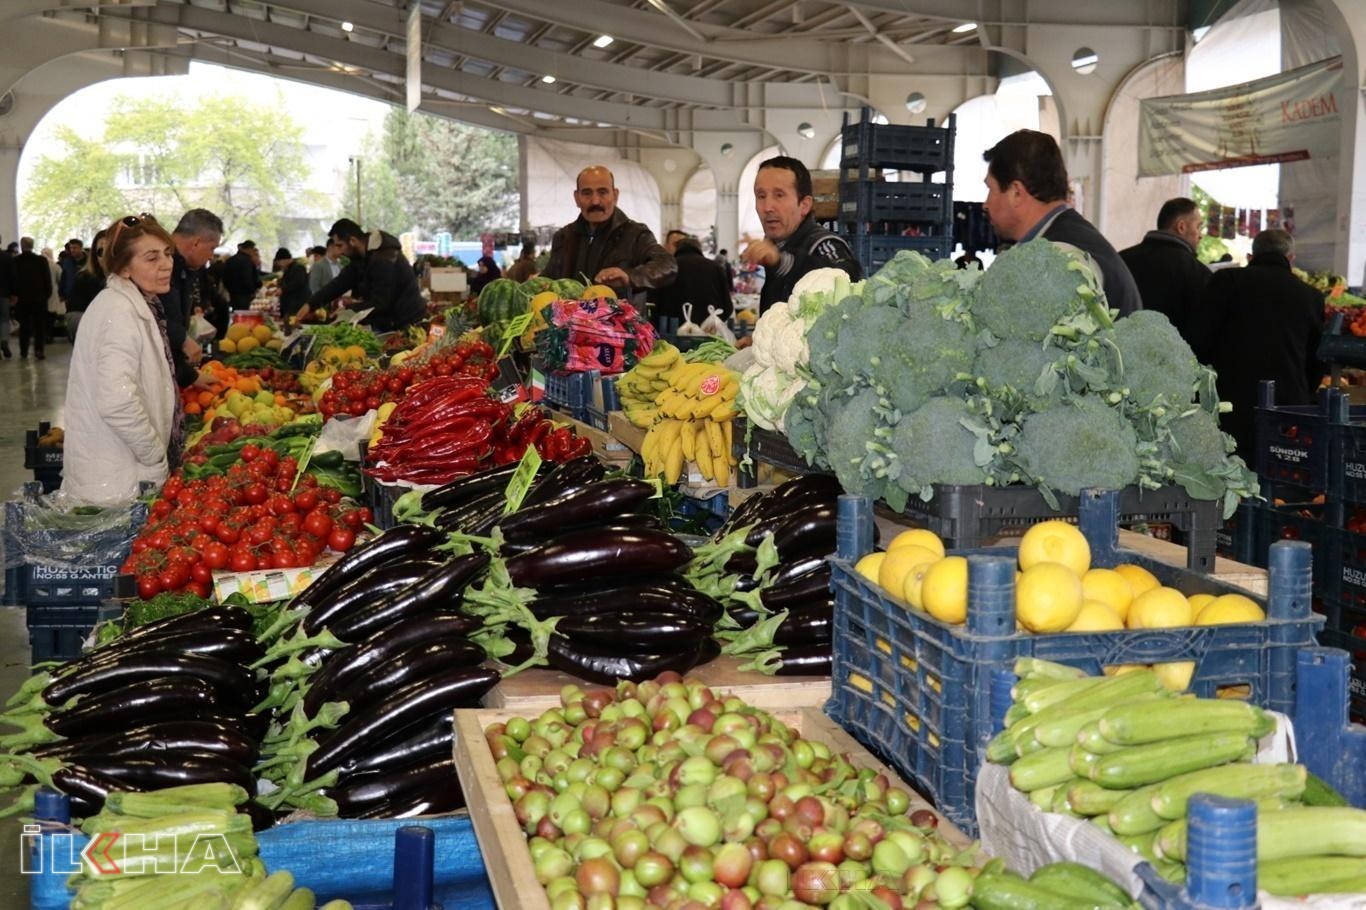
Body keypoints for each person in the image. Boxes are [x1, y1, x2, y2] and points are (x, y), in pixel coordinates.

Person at [62, 214, 180, 504]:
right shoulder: (119, 312)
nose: (166, 264)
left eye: (167, 254)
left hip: (119, 470)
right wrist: (154, 457)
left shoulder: (134, 303)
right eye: (151, 258)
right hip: (115, 479)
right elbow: (117, 401)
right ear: (124, 268)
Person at [1186, 229, 1324, 458]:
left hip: (1230, 403)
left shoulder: (1227, 281)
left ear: (1252, 255)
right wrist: (1303, 393)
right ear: (1291, 258)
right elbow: (1317, 359)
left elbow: (1198, 340)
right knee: (1278, 478)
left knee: (1229, 478)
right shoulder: (1310, 295)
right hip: (1287, 408)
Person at [982, 130, 1141, 316]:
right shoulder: (1069, 238)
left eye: (990, 189)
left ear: (1016, 192)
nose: (985, 204)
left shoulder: (1062, 258)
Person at [742, 155, 862, 313]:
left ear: (804, 205)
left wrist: (781, 262)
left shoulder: (824, 244)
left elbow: (847, 275)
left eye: (779, 195)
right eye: (761, 196)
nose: (767, 207)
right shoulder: (776, 244)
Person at [542, 165, 677, 297]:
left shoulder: (636, 234)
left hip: (620, 319)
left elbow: (667, 265)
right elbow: (549, 279)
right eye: (587, 193)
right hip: (570, 319)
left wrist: (629, 276)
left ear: (615, 195)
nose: (595, 201)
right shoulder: (563, 237)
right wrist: (537, 283)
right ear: (577, 198)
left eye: (602, 192)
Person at [306, 219, 426, 333]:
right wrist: (310, 305)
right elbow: (338, 284)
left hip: (407, 323)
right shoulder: (361, 258)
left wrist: (349, 311)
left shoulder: (383, 258)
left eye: (340, 245)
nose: (340, 251)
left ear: (352, 241)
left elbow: (380, 302)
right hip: (390, 321)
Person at [1118, 198, 1211, 341]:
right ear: (1181, 227)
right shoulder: (1197, 273)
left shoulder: (1121, 259)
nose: (1200, 235)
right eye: (1198, 226)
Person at [161, 209, 225, 386]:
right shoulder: (163, 264)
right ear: (196, 243)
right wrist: (181, 337)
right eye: (211, 248)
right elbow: (150, 315)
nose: (212, 255)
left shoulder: (185, 268)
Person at [651, 234, 732, 328]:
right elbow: (727, 306)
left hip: (672, 330)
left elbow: (654, 303)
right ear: (699, 248)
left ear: (677, 248)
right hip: (707, 332)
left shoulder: (667, 267)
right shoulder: (715, 268)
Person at [12, 237, 53, 359]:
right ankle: (39, 350)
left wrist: (14, 295)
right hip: (39, 299)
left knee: (24, 326)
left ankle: (23, 351)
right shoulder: (41, 261)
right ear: (32, 245)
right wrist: (47, 294)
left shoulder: (16, 261)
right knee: (39, 326)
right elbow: (47, 279)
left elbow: (14, 280)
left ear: (21, 246)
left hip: (22, 299)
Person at [66, 228, 108, 342]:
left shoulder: (133, 279)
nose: (106, 256)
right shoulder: (83, 278)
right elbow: (73, 316)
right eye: (101, 251)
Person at [222, 240, 261, 310]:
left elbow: (224, 277)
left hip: (233, 294)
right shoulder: (247, 261)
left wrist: (230, 289)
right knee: (244, 314)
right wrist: (253, 290)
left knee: (236, 313)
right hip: (244, 294)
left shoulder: (230, 260)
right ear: (249, 249)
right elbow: (247, 278)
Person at [273, 247, 310, 322]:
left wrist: (282, 289)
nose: (279, 265)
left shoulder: (298, 268)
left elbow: (297, 283)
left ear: (284, 259)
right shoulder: (289, 269)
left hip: (296, 305)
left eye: (279, 262)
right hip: (290, 305)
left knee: (293, 326)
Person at [58, 238, 85, 305]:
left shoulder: (88, 262)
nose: (72, 250)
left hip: (84, 297)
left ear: (81, 248)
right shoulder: (67, 262)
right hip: (69, 297)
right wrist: (61, 294)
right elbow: (63, 278)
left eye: (75, 248)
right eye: (71, 248)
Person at [0, 235, 12, 358]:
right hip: (4, 294)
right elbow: (12, 276)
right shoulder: (6, 257)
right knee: (4, 319)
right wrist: (14, 293)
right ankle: (4, 341)